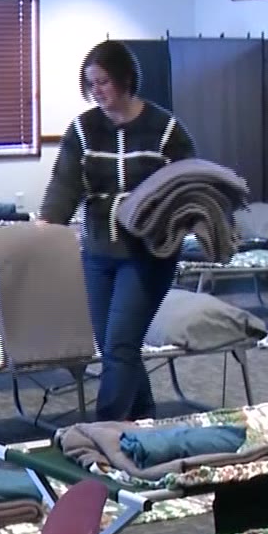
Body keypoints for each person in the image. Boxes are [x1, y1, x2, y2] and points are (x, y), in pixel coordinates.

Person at [39, 40, 197, 422]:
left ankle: (103, 428)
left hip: (148, 256)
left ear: (126, 79)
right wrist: (48, 222)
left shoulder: (164, 129)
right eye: (91, 84)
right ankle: (143, 417)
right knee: (114, 346)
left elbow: (191, 183)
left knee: (121, 344)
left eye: (104, 82)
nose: (98, 91)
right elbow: (65, 183)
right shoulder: (83, 129)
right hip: (98, 253)